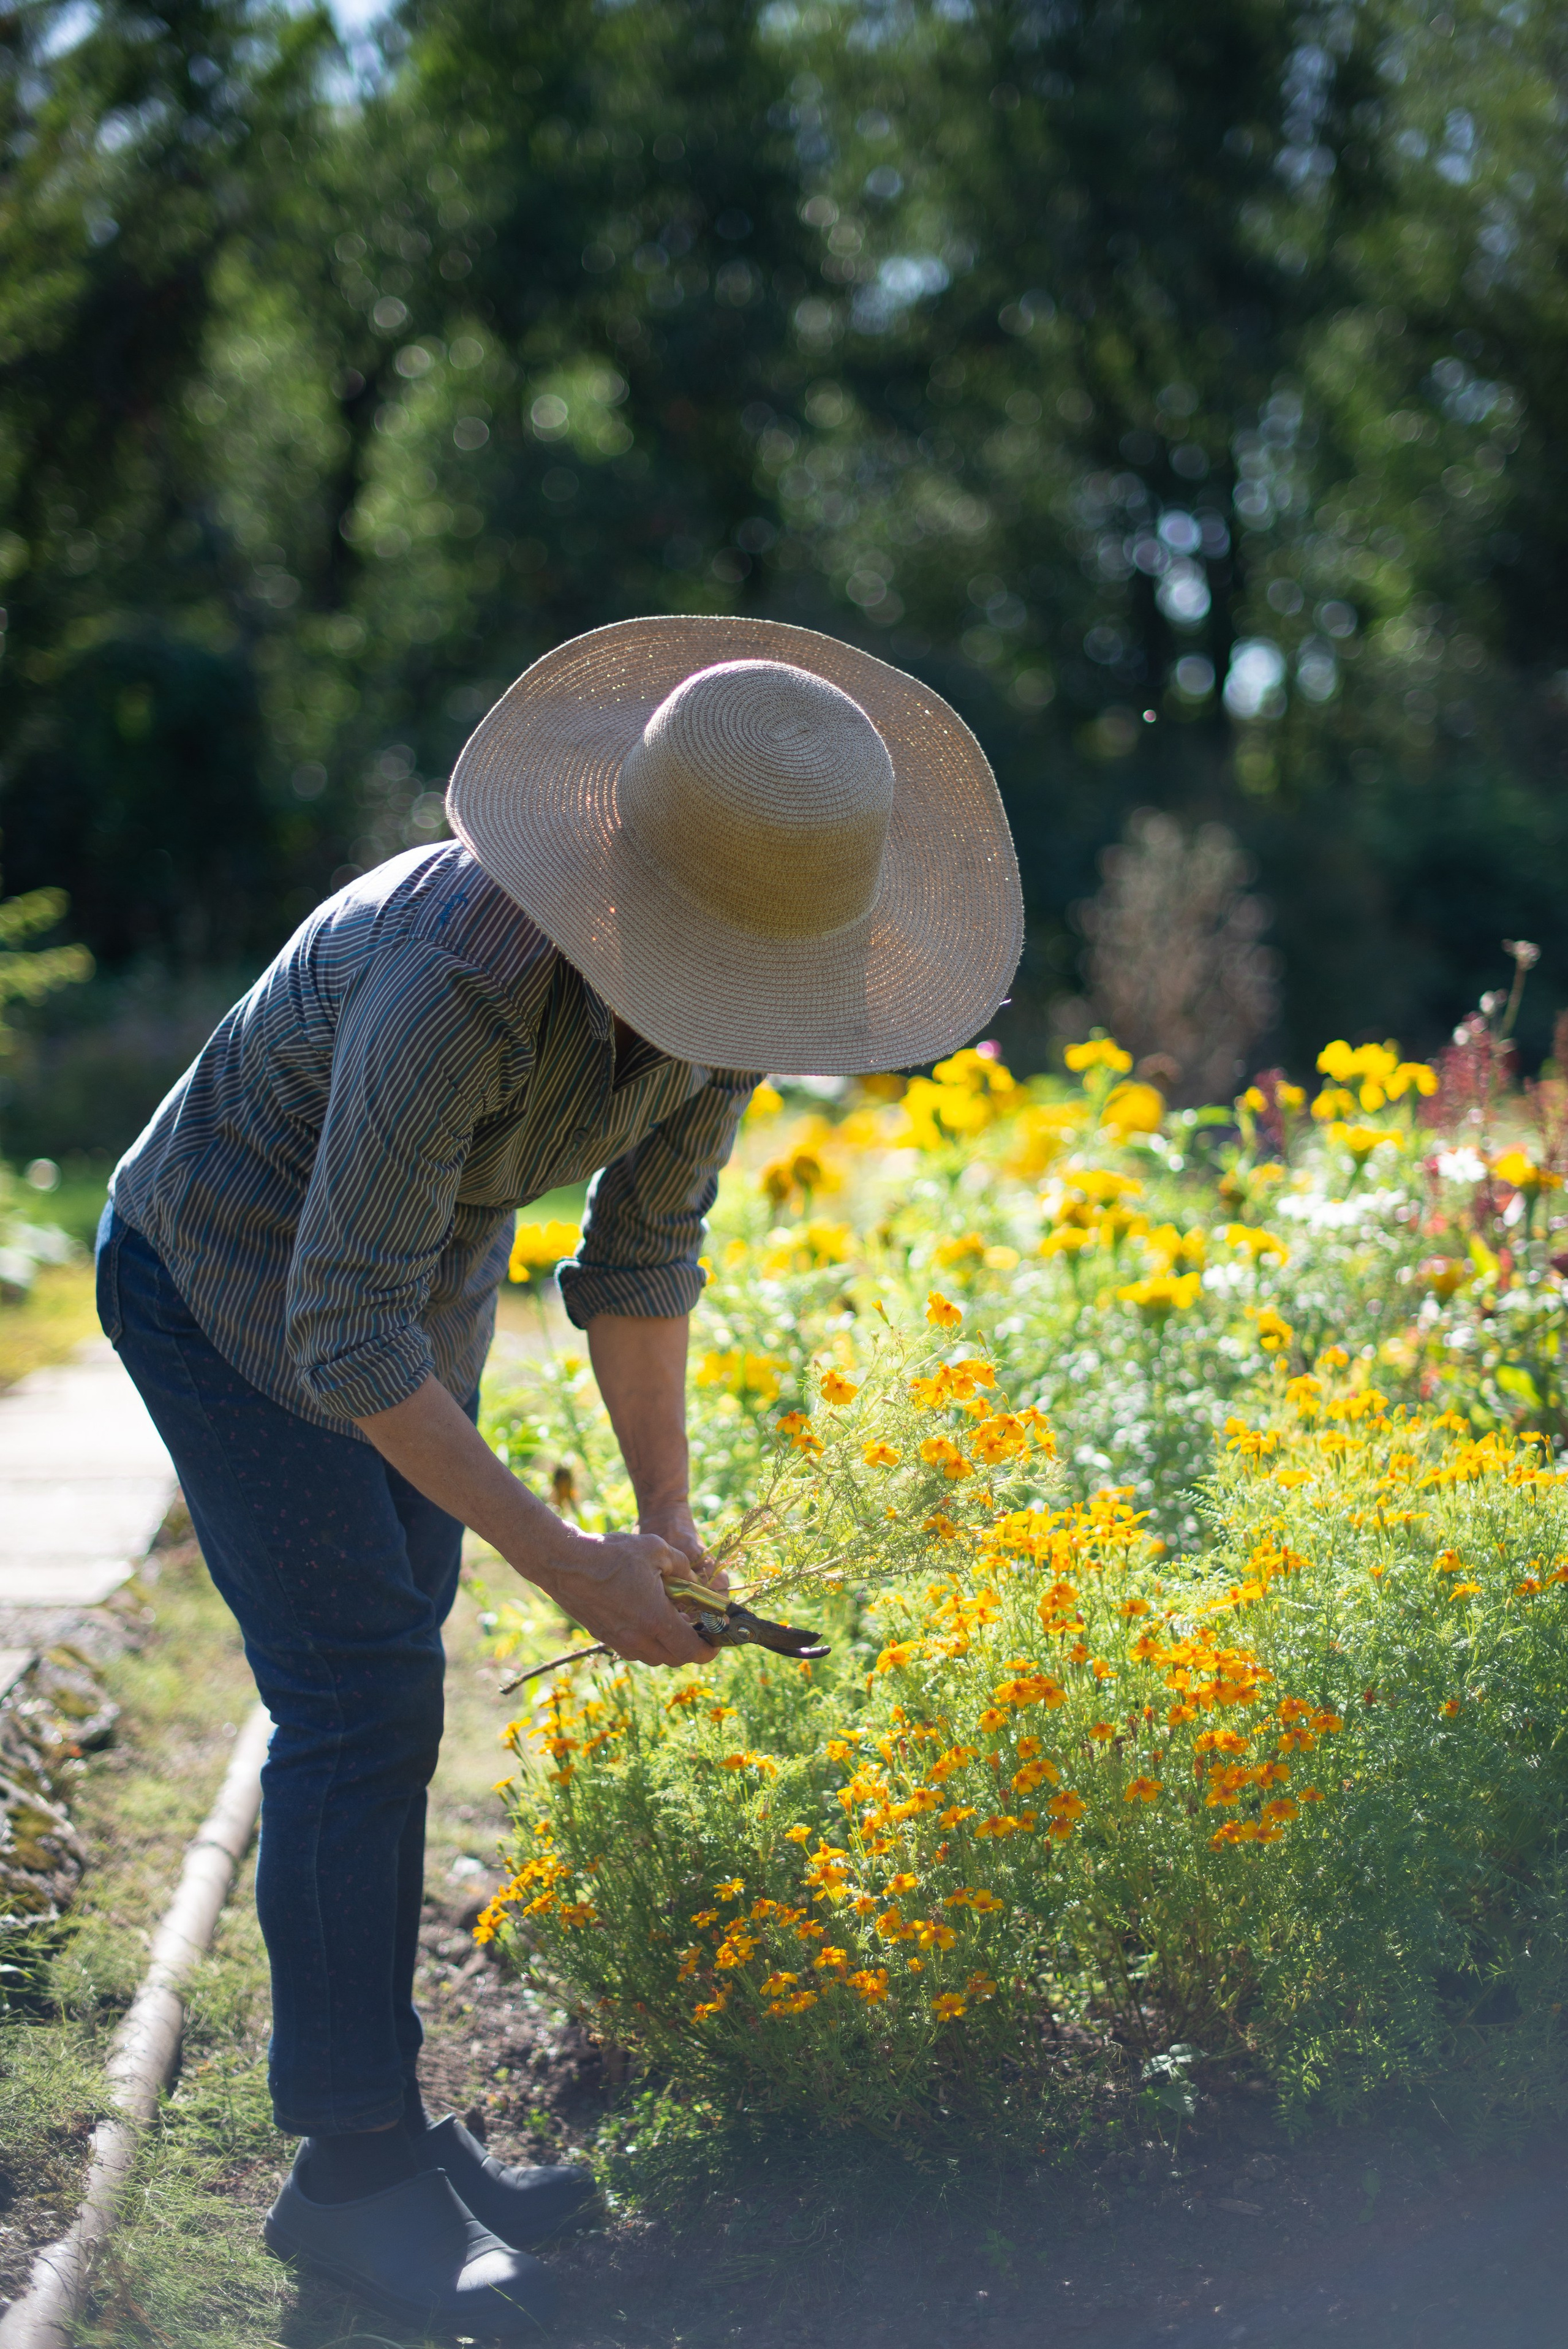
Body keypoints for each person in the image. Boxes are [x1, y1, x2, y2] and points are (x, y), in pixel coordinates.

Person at [97, 614, 1022, 2334]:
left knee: (390, 1691)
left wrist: (660, 1523)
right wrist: (564, 1561)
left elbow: (644, 1255)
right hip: (222, 1278)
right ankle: (350, 2176)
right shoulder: (454, 980)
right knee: (359, 1696)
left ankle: (382, 2129)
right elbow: (336, 1328)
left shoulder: (730, 986)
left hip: (406, 1290)